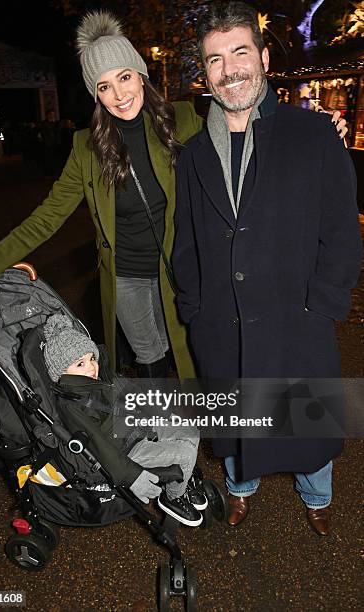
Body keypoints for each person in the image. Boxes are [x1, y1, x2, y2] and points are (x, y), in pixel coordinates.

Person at [0, 10, 347, 381]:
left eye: (125, 77)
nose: (119, 94)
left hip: (181, 269)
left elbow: (244, 121)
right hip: (126, 276)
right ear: (96, 95)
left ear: (141, 75)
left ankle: (205, 427)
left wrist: (314, 128)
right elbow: (49, 215)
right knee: (150, 358)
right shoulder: (86, 147)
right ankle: (164, 433)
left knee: (195, 355)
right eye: (104, 86)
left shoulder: (183, 121)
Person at [171, 1, 362, 536]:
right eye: (215, 60)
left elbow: (342, 230)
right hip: (221, 321)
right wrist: (194, 306)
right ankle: (239, 488)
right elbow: (186, 240)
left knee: (305, 418)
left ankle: (318, 496)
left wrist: (323, 302)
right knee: (236, 419)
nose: (229, 69)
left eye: (240, 53)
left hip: (296, 316)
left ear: (263, 57)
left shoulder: (313, 134)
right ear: (204, 74)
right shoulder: (192, 156)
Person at [40, 313, 207, 526]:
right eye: (80, 364)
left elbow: (134, 393)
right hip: (125, 451)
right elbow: (98, 445)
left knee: (190, 431)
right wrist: (131, 475)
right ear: (61, 372)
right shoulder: (70, 405)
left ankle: (183, 477)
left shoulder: (101, 379)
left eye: (92, 358)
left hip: (138, 427)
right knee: (184, 453)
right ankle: (174, 497)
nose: (92, 367)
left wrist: (163, 415)